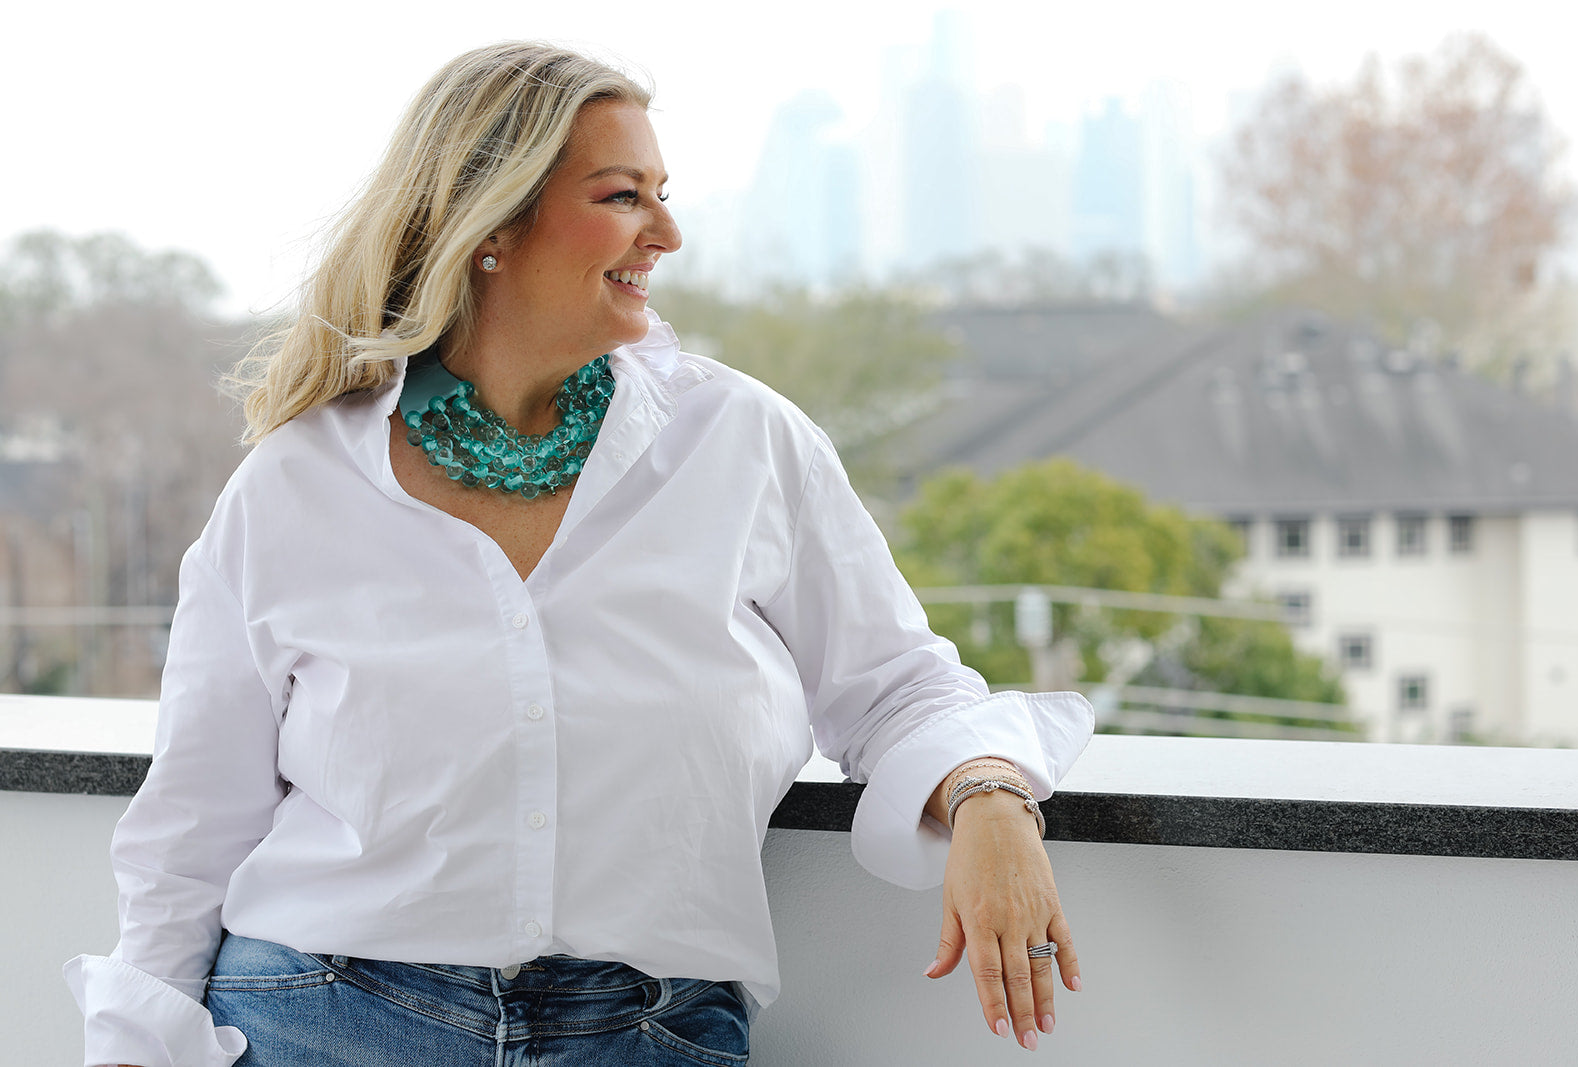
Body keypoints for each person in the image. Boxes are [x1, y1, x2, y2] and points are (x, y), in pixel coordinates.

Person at [64, 41, 1093, 1066]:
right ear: (491, 226)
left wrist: (989, 799)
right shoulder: (296, 482)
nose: (667, 233)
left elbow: (895, 683)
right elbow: (195, 823)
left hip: (648, 1032)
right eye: (622, 196)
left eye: (662, 195)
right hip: (320, 1016)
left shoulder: (742, 443)